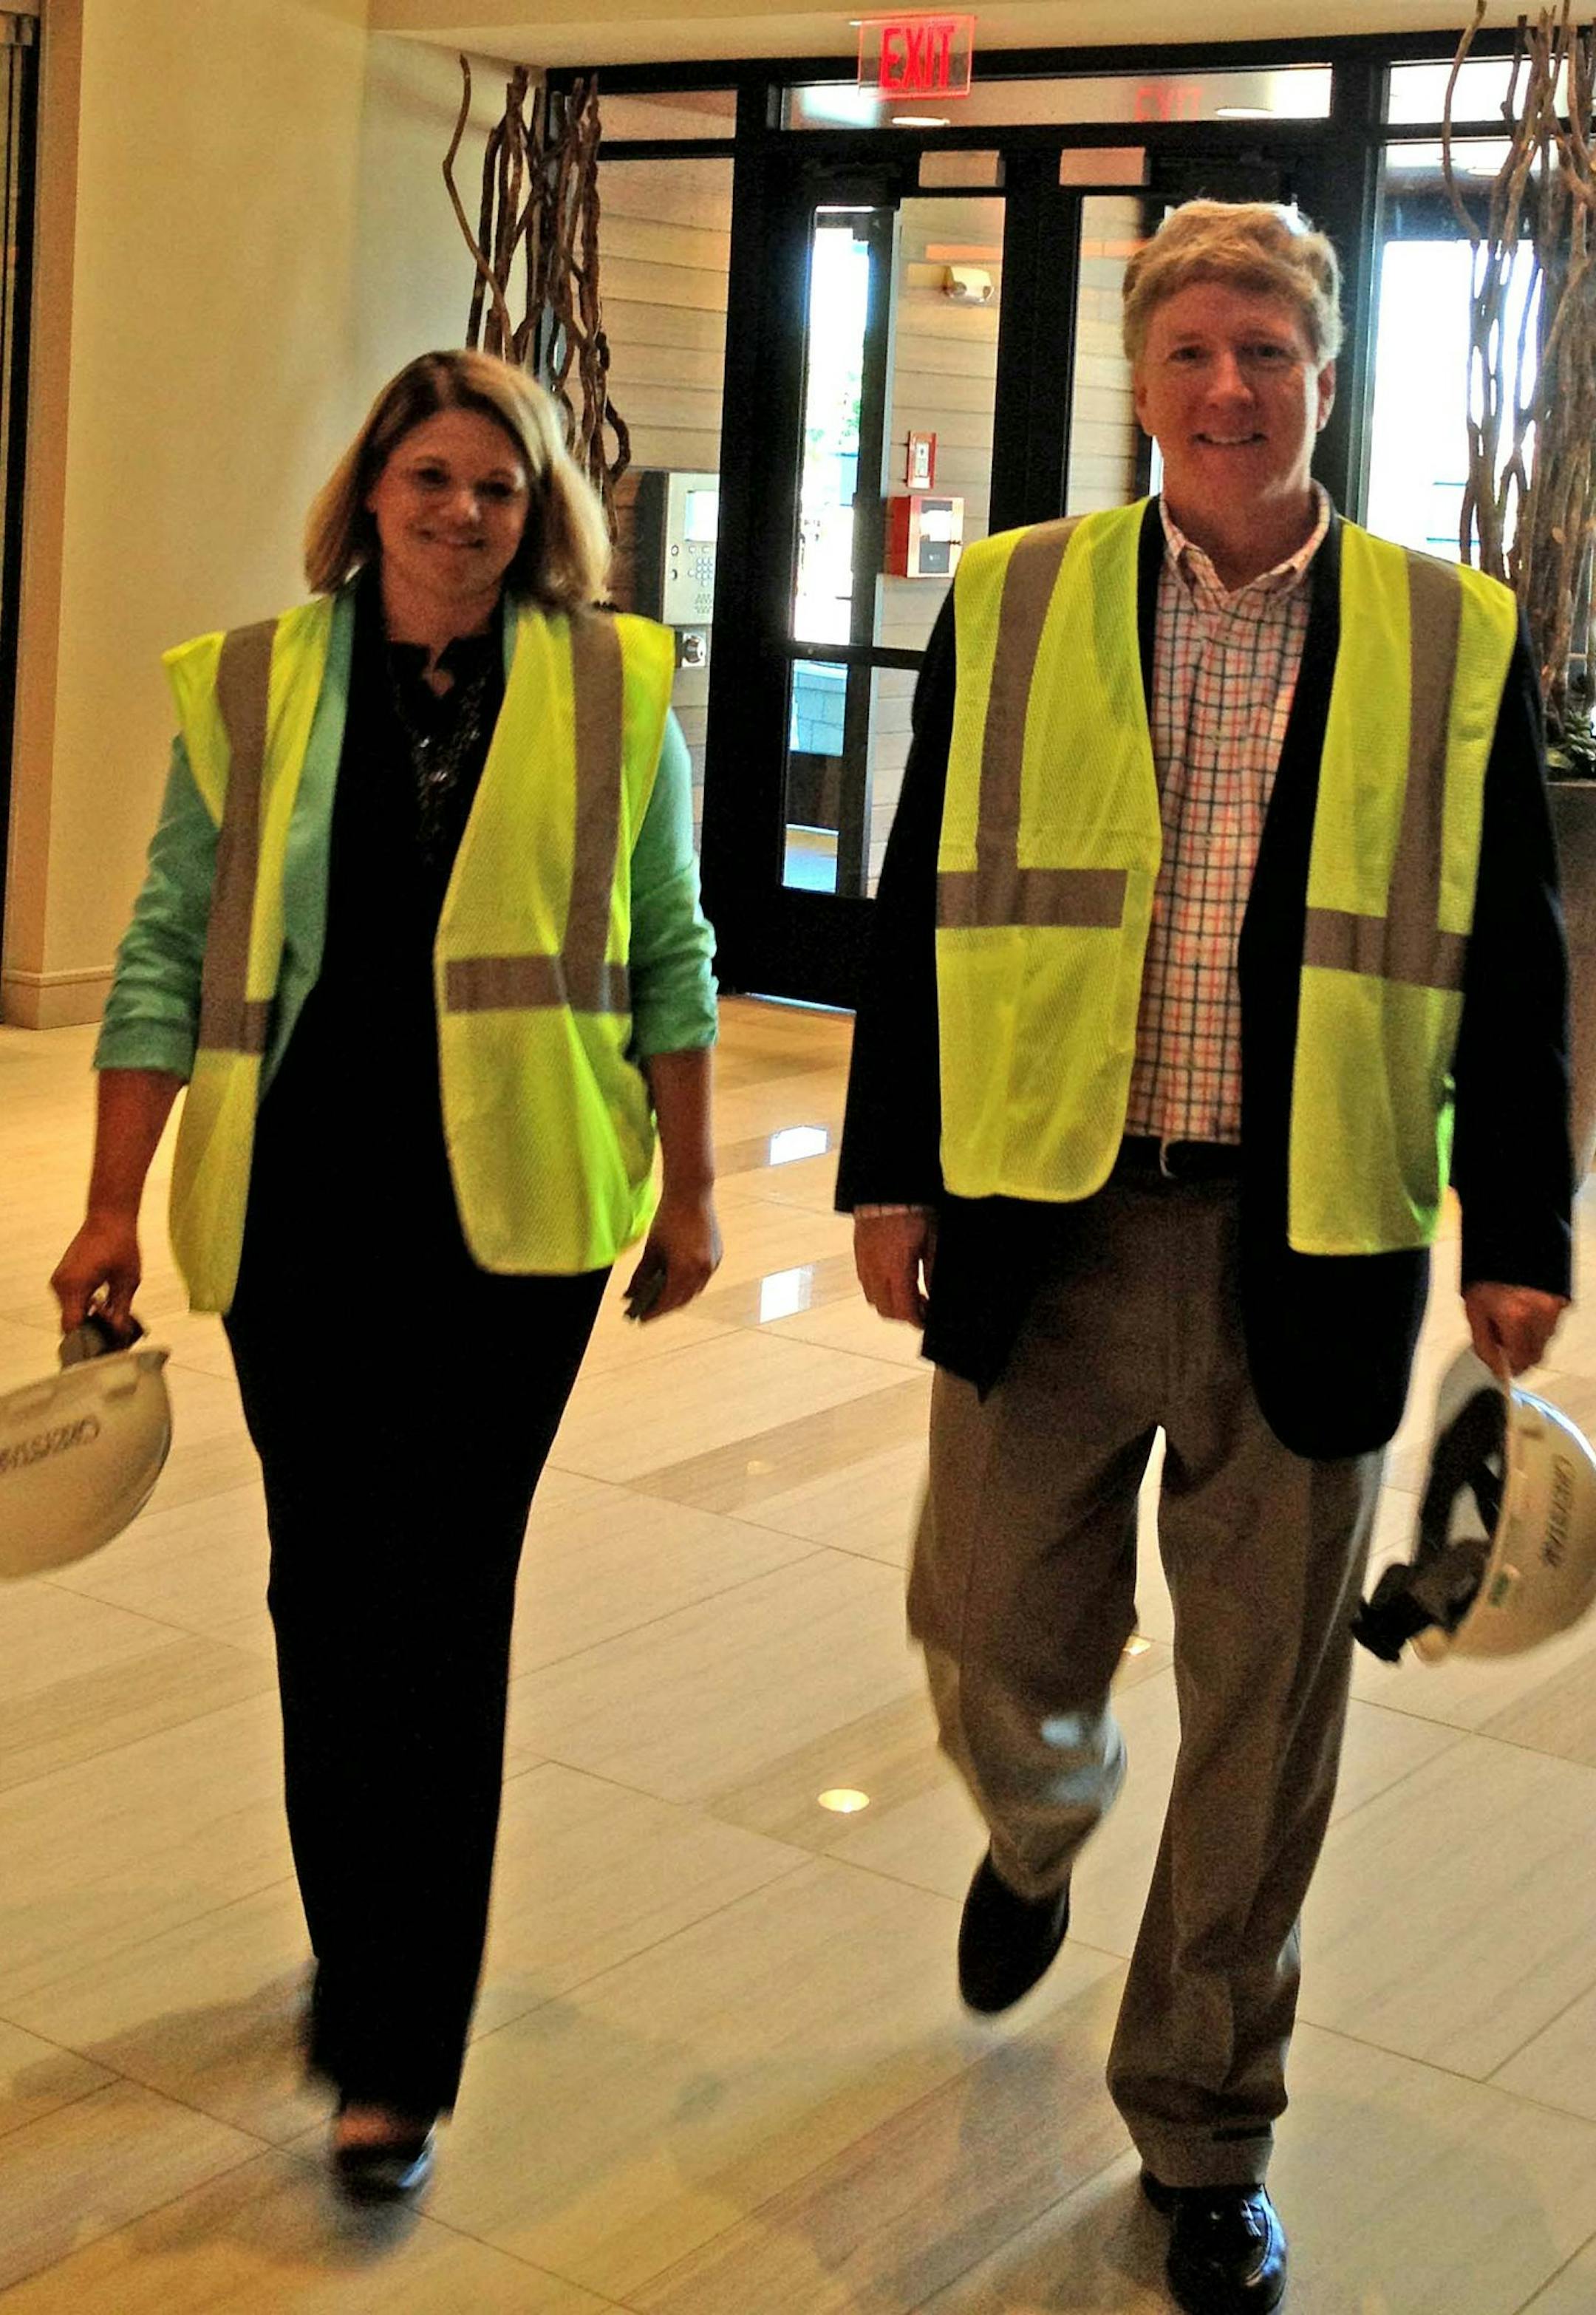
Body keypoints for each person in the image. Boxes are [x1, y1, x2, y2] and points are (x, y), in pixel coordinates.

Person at [836, 202, 1571, 2315]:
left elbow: (1513, 958)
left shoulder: (1448, 630)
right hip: (1044, 1218)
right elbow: (925, 888)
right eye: (1192, 353)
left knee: (1264, 1715)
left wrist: (1522, 1226)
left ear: (1324, 376)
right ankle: (1038, 1821)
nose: (1229, 387)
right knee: (987, 1620)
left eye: (1267, 350)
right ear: (1140, 382)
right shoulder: (1019, 594)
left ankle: (1205, 2125)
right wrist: (891, 1169)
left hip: (1307, 1234)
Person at [50, 350, 721, 2200]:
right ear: (369, 493)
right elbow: (166, 946)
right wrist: (110, 1203)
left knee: (442, 1596)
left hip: (520, 1218)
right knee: (328, 1591)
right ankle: (363, 1944)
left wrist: (693, 1190)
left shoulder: (614, 688)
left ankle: (397, 2045)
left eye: (499, 488)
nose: (464, 514)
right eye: (431, 478)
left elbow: (671, 943)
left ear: (540, 513)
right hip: (305, 1210)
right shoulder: (251, 684)